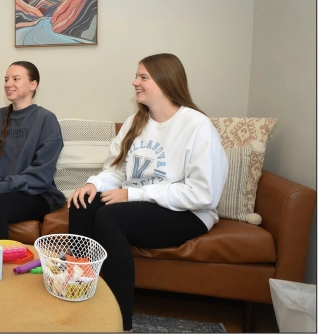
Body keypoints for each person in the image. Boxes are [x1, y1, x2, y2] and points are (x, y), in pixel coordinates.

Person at [67, 53, 229, 332]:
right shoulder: (136, 122)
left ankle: (119, 321)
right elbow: (118, 171)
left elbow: (203, 195)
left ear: (166, 81)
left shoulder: (197, 126)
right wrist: (94, 184)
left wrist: (134, 195)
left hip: (188, 213)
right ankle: (80, 292)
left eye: (143, 77)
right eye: (136, 76)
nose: (135, 82)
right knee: (83, 203)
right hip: (137, 204)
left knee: (109, 217)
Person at [0, 61, 65, 239]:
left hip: (37, 194)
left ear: (33, 84)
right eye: (6, 79)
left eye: (16, 79)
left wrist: (2, 187)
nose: (8, 84)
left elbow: (42, 172)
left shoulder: (46, 119)